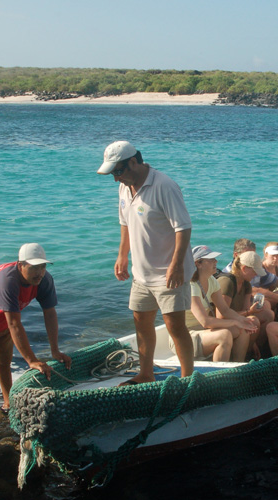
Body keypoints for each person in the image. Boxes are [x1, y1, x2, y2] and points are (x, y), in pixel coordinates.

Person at [98, 140, 195, 384]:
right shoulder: (124, 187)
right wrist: (122, 255)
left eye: (118, 171)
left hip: (169, 271)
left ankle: (187, 379)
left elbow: (183, 228)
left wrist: (176, 266)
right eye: (112, 173)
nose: (115, 178)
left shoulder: (164, 186)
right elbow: (125, 223)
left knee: (175, 326)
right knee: (141, 321)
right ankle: (145, 373)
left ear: (134, 162)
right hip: (141, 272)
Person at [0, 243, 72, 424]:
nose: (39, 272)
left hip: (2, 320)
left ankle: (9, 403)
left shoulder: (44, 280)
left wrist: (55, 351)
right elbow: (15, 324)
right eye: (33, 267)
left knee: (3, 362)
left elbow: (50, 313)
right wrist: (32, 361)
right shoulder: (7, 282)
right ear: (20, 265)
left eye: (42, 266)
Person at [178, 245, 258, 362]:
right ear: (198, 264)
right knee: (224, 335)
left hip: (203, 333)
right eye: (210, 259)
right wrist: (235, 321)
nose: (215, 261)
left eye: (214, 259)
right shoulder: (191, 285)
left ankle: (237, 368)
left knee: (243, 330)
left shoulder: (212, 281)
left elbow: (225, 310)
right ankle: (218, 376)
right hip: (187, 336)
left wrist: (242, 320)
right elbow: (205, 322)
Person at [217, 251, 274, 358]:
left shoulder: (246, 284)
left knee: (261, 317)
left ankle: (250, 352)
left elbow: (246, 312)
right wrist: (249, 312)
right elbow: (221, 316)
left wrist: (254, 342)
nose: (256, 275)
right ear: (244, 269)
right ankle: (240, 358)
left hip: (235, 317)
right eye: (254, 271)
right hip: (220, 322)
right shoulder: (228, 282)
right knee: (252, 321)